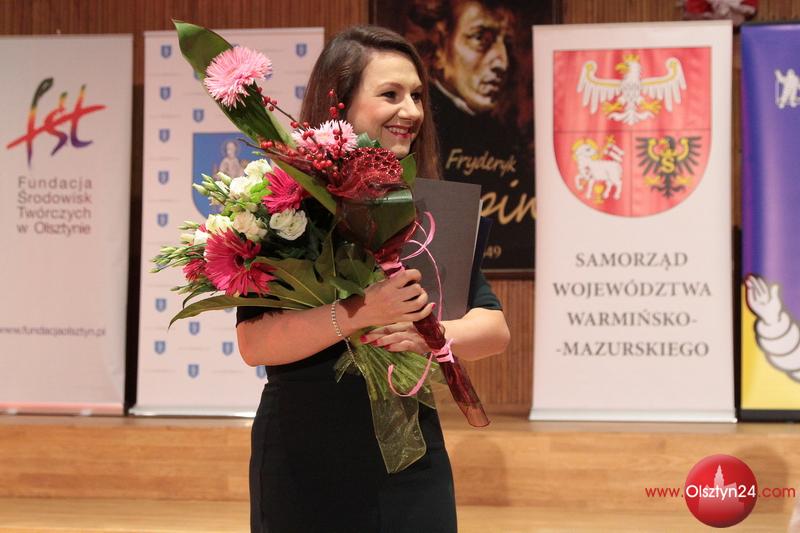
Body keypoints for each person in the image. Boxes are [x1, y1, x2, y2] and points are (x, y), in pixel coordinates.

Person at [236, 25, 510, 533]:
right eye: (391, 94)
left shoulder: (430, 210)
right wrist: (362, 312)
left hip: (411, 459)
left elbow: (494, 329)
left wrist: (432, 335)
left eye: (417, 96)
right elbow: (254, 343)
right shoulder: (284, 205)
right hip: (304, 461)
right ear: (338, 103)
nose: (411, 110)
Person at [409, 0, 536, 270]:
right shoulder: (414, 133)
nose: (502, 62)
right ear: (439, 43)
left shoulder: (503, 133)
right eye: (481, 39)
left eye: (506, 43)